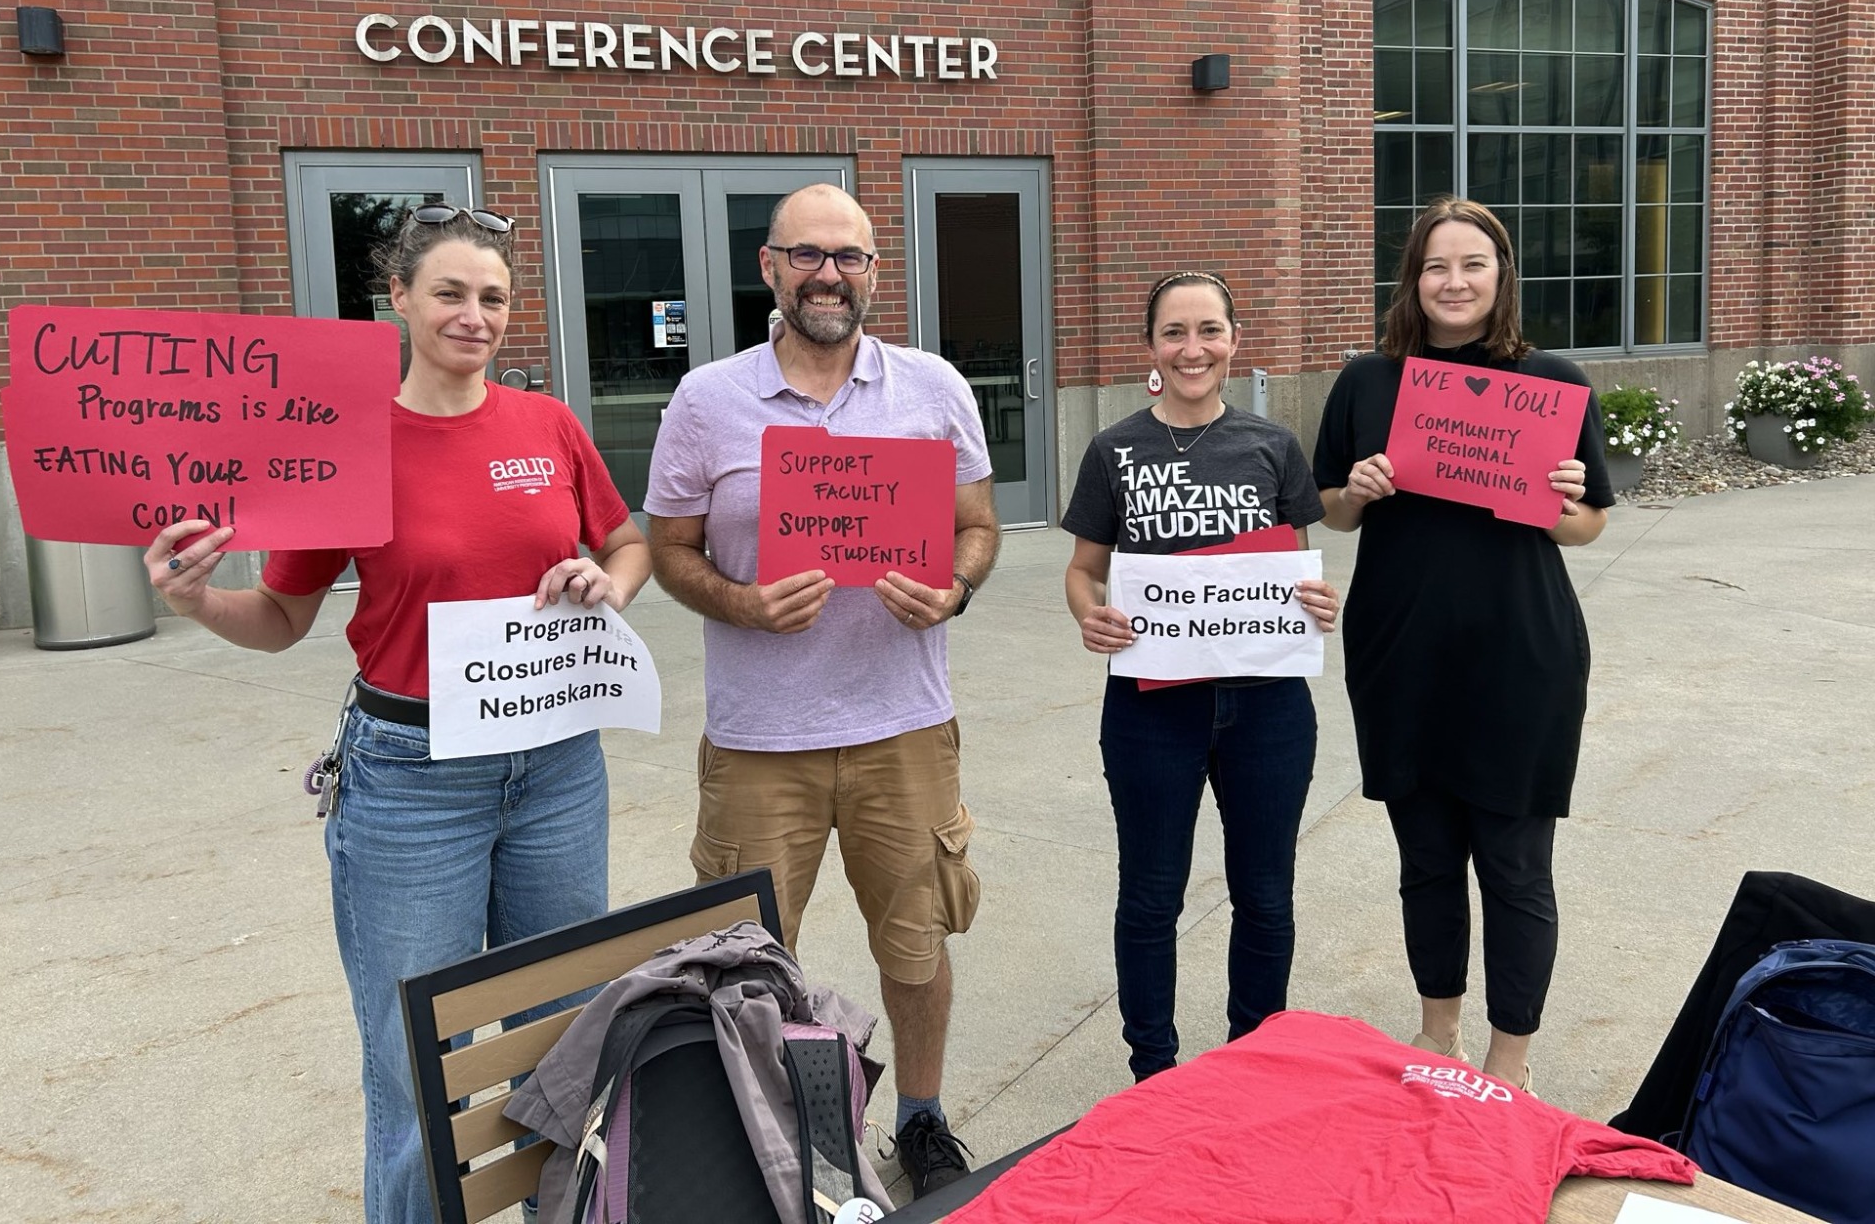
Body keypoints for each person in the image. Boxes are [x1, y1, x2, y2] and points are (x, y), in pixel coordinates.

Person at [144, 204, 650, 1223]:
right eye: (450, 292)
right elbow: (281, 617)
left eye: (493, 297)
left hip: (556, 762)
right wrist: (196, 601)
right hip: (412, 783)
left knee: (564, 1034)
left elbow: (626, 541)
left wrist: (610, 584)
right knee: (423, 1063)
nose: (475, 316)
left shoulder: (547, 424)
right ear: (400, 300)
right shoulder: (343, 445)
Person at [643, 183, 1000, 1199]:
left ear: (875, 271)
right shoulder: (707, 398)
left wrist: (954, 587)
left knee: (916, 941)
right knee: (745, 962)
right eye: (806, 254)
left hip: (904, 728)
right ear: (769, 267)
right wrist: (740, 603)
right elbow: (667, 551)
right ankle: (762, 1143)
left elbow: (977, 527)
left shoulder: (932, 387)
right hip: (760, 738)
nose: (828, 274)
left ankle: (920, 1119)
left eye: (848, 256)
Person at [1312, 195, 1612, 1093]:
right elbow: (1330, 510)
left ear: (1500, 275)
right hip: (1401, 651)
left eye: (1472, 264)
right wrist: (1358, 489)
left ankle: (1508, 1063)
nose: (1454, 282)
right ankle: (1435, 1033)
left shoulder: (1550, 382)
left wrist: (1558, 501)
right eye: (1436, 266)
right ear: (1413, 279)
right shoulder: (1369, 381)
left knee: (1516, 865)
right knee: (1427, 859)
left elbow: (1589, 525)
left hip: (1521, 656)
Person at [1061, 271, 1341, 1082]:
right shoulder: (1114, 450)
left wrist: (1315, 603)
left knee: (1266, 894)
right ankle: (1153, 1072)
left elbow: (1289, 570)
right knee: (1151, 897)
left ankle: (1252, 1065)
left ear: (1234, 340)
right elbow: (1083, 569)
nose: (1193, 349)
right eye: (1175, 333)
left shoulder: (1272, 445)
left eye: (1209, 330)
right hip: (1152, 711)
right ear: (1150, 347)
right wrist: (1089, 612)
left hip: (1268, 710)